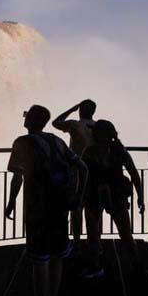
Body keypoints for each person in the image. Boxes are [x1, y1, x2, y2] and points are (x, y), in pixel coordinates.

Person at [5, 105, 88, 296]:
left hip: (37, 210)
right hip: (60, 208)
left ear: (30, 120)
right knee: (57, 256)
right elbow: (82, 166)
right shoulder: (56, 141)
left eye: (27, 115)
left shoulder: (22, 142)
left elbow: (17, 176)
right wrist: (78, 197)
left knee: (39, 259)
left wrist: (11, 201)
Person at [79, 120, 145, 278]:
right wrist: (140, 198)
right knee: (96, 233)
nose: (93, 134)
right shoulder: (104, 150)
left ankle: (135, 267)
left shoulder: (97, 151)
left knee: (123, 234)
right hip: (101, 195)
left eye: (95, 131)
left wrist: (141, 198)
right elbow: (134, 175)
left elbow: (134, 174)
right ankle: (134, 268)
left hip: (110, 195)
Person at [52, 99, 96, 247]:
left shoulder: (75, 125)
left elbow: (56, 122)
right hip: (94, 171)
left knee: (76, 207)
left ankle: (76, 242)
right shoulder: (97, 126)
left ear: (80, 110)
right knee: (93, 209)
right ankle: (94, 244)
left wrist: (72, 108)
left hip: (75, 170)